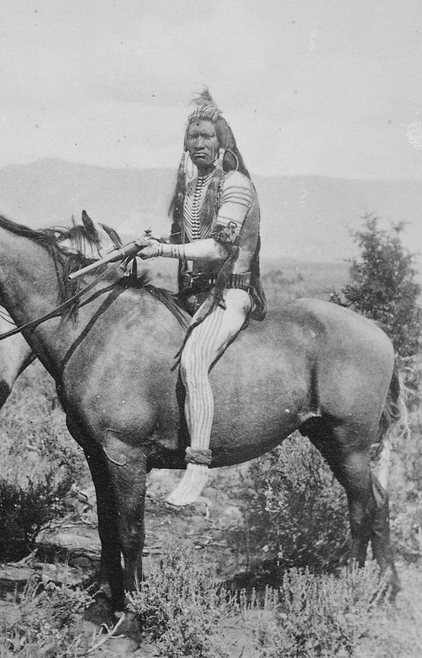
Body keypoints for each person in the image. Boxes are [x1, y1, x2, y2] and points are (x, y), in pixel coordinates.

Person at [138, 90, 266, 506]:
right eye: (192, 137)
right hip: (193, 297)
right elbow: (187, 240)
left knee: (193, 360)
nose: (198, 144)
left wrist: (163, 250)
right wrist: (150, 243)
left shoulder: (237, 185)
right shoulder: (193, 188)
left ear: (222, 142)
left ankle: (197, 466)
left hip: (231, 294)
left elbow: (218, 247)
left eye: (207, 136)